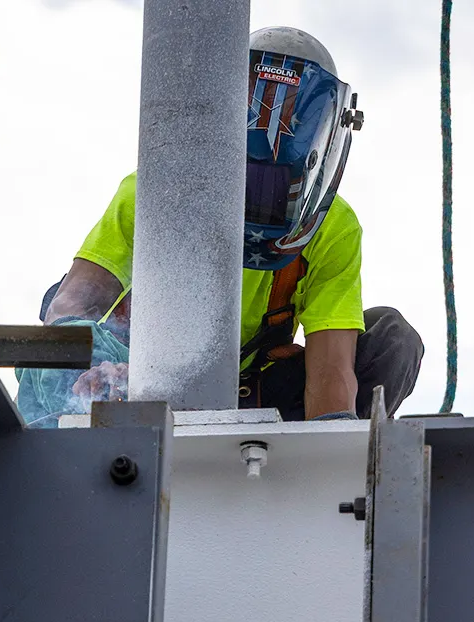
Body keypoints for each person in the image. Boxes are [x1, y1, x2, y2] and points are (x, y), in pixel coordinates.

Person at [24, 26, 423, 424]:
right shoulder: (155, 191)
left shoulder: (333, 226)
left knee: (390, 338)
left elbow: (331, 370)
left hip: (254, 397)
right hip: (138, 382)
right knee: (60, 332)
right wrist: (98, 373)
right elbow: (70, 305)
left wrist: (326, 457)